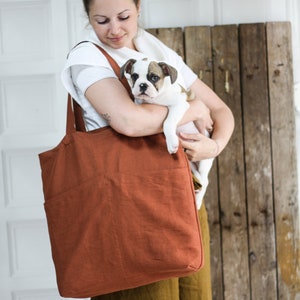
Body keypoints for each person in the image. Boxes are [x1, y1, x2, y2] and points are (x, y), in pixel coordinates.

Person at [61, 0, 235, 299]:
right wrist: (192, 109)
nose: (115, 29)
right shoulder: (87, 57)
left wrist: (214, 146)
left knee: (196, 294)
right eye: (101, 20)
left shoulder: (152, 48)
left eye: (124, 16)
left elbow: (220, 108)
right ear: (87, 16)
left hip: (187, 198)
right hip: (132, 209)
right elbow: (129, 122)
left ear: (139, 9)